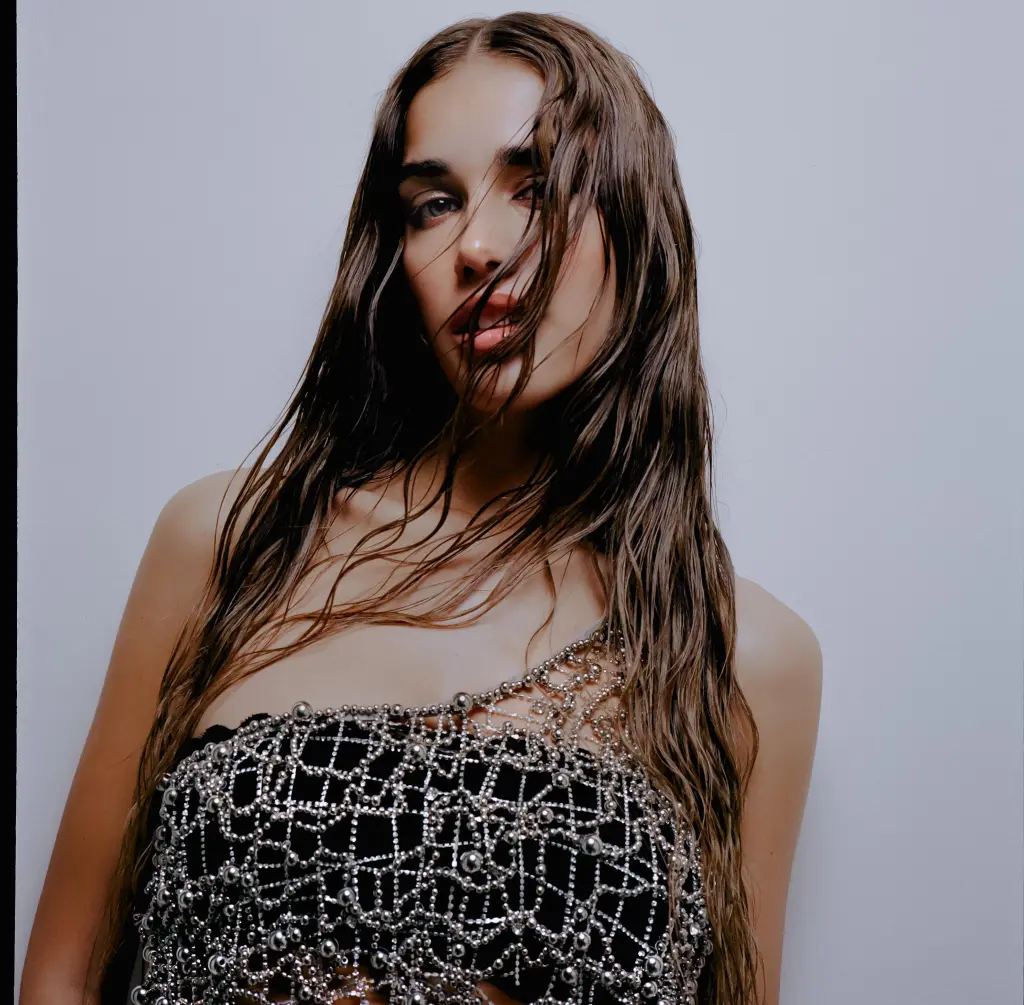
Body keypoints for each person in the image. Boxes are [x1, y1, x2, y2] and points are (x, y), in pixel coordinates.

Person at [21, 12, 821, 1005]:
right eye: (432, 205)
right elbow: (60, 976)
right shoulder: (235, 542)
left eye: (536, 186)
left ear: (634, 219)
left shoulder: (741, 657)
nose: (476, 245)